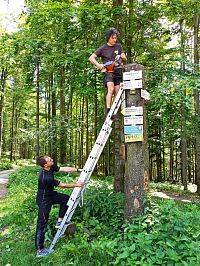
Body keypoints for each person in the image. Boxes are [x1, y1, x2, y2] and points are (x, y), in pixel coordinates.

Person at [35, 155, 84, 257]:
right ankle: (40, 250)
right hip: (44, 200)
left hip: (50, 195)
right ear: (45, 165)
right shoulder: (45, 177)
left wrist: (79, 169)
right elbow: (63, 185)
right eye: (50, 160)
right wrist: (76, 184)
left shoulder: (51, 167)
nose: (52, 159)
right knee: (42, 224)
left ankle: (60, 220)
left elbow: (64, 169)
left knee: (65, 199)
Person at [89, 28, 127, 115]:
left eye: (115, 38)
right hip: (108, 72)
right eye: (113, 38)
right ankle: (108, 109)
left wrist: (120, 57)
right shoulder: (103, 48)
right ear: (108, 38)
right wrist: (99, 65)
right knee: (111, 89)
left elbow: (125, 58)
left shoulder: (118, 46)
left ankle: (114, 111)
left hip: (118, 72)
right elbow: (91, 58)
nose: (115, 40)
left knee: (118, 93)